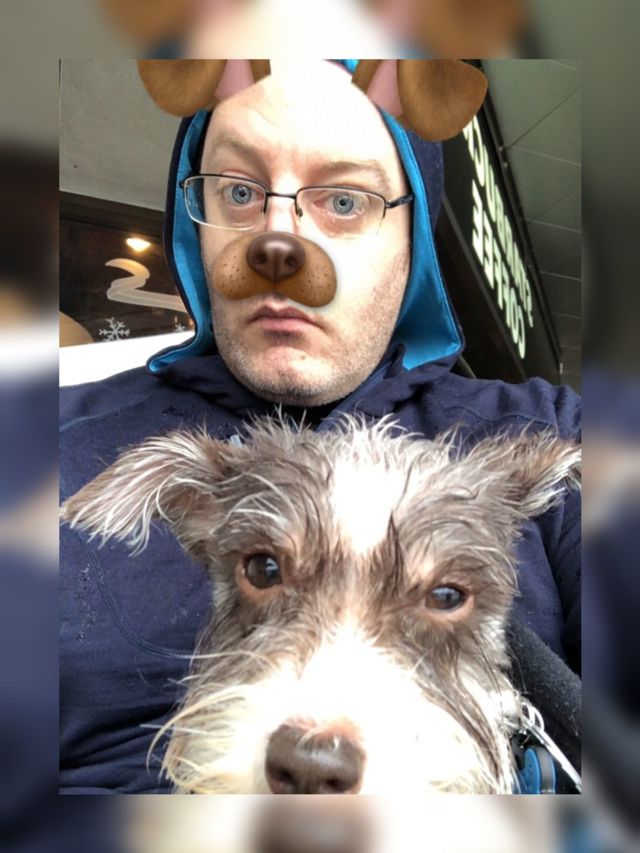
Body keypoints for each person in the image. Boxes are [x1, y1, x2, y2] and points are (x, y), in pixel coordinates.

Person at [60, 60, 580, 794]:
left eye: (342, 199)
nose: (278, 245)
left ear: (414, 233)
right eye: (240, 191)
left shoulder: (560, 434)